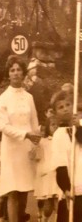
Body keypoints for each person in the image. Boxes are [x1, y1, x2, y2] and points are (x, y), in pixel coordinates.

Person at [0, 55, 41, 222]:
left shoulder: (29, 97)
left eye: (18, 70)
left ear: (23, 73)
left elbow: (34, 122)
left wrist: (36, 142)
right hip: (11, 149)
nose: (15, 73)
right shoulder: (2, 99)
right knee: (13, 190)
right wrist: (26, 135)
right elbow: (4, 127)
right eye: (12, 70)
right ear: (8, 74)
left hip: (26, 149)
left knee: (24, 190)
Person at [50, 89, 82, 221]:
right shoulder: (58, 135)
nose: (65, 109)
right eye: (60, 107)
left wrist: (79, 127)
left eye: (68, 105)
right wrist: (66, 188)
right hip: (72, 186)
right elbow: (60, 164)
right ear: (55, 113)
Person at [34, 117, 60, 222]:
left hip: (59, 174)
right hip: (48, 175)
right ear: (48, 127)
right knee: (48, 207)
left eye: (57, 124)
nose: (55, 127)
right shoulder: (43, 141)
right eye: (53, 124)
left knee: (58, 204)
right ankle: (45, 219)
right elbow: (37, 157)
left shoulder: (64, 139)